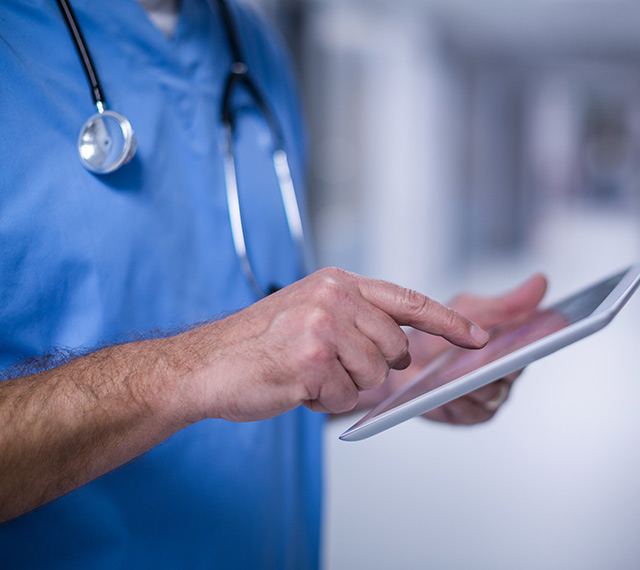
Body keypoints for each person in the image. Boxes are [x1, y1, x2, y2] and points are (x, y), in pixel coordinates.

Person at [0, 0, 547, 567]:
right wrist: (190, 368)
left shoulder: (252, 47)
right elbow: (216, 365)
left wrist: (382, 364)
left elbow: (253, 370)